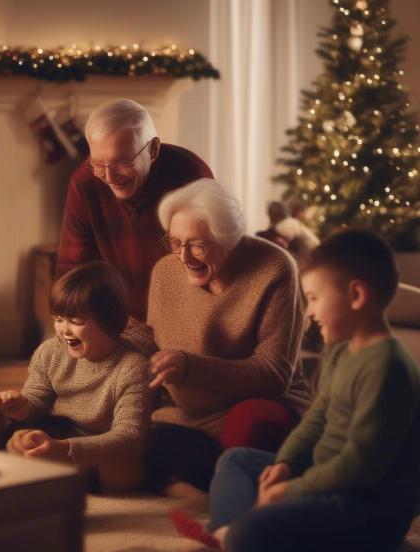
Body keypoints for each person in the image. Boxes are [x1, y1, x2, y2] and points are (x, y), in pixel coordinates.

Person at [171, 229, 420, 552]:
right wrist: (285, 465)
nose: (311, 312)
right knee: (237, 462)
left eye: (315, 298)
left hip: (366, 507)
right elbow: (316, 420)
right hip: (324, 478)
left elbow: (359, 466)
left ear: (356, 296)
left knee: (254, 532)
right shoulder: (343, 352)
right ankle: (229, 534)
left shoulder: (388, 367)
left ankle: (238, 534)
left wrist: (291, 491)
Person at [146, 178, 311, 492]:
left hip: (260, 402)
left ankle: (204, 482)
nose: (184, 257)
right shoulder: (165, 272)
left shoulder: (275, 268)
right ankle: (216, 480)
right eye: (175, 242)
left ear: (229, 239)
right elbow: (152, 343)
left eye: (197, 244)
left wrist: (191, 367)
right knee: (132, 436)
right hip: (188, 414)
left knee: (252, 427)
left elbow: (274, 374)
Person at [0, 261, 151, 492]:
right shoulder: (50, 351)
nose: (64, 330)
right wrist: (21, 405)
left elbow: (129, 437)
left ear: (108, 322)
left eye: (76, 322)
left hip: (101, 445)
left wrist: (65, 450)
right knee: (16, 438)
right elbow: (37, 399)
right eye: (58, 319)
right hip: (59, 431)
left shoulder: (133, 367)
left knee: (119, 474)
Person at [56, 98, 212, 321]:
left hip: (188, 315)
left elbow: (208, 265)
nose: (109, 178)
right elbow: (74, 273)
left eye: (122, 163)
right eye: (98, 165)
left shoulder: (190, 175)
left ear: (153, 150)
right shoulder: (85, 183)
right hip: (123, 320)